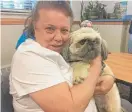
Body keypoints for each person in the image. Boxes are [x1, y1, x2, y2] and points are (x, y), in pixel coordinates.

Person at [10, 1, 115, 112]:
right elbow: (70, 109)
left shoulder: (55, 50)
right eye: (50, 29)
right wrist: (96, 65)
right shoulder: (29, 57)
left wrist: (109, 77)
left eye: (64, 30)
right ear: (35, 27)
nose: (59, 38)